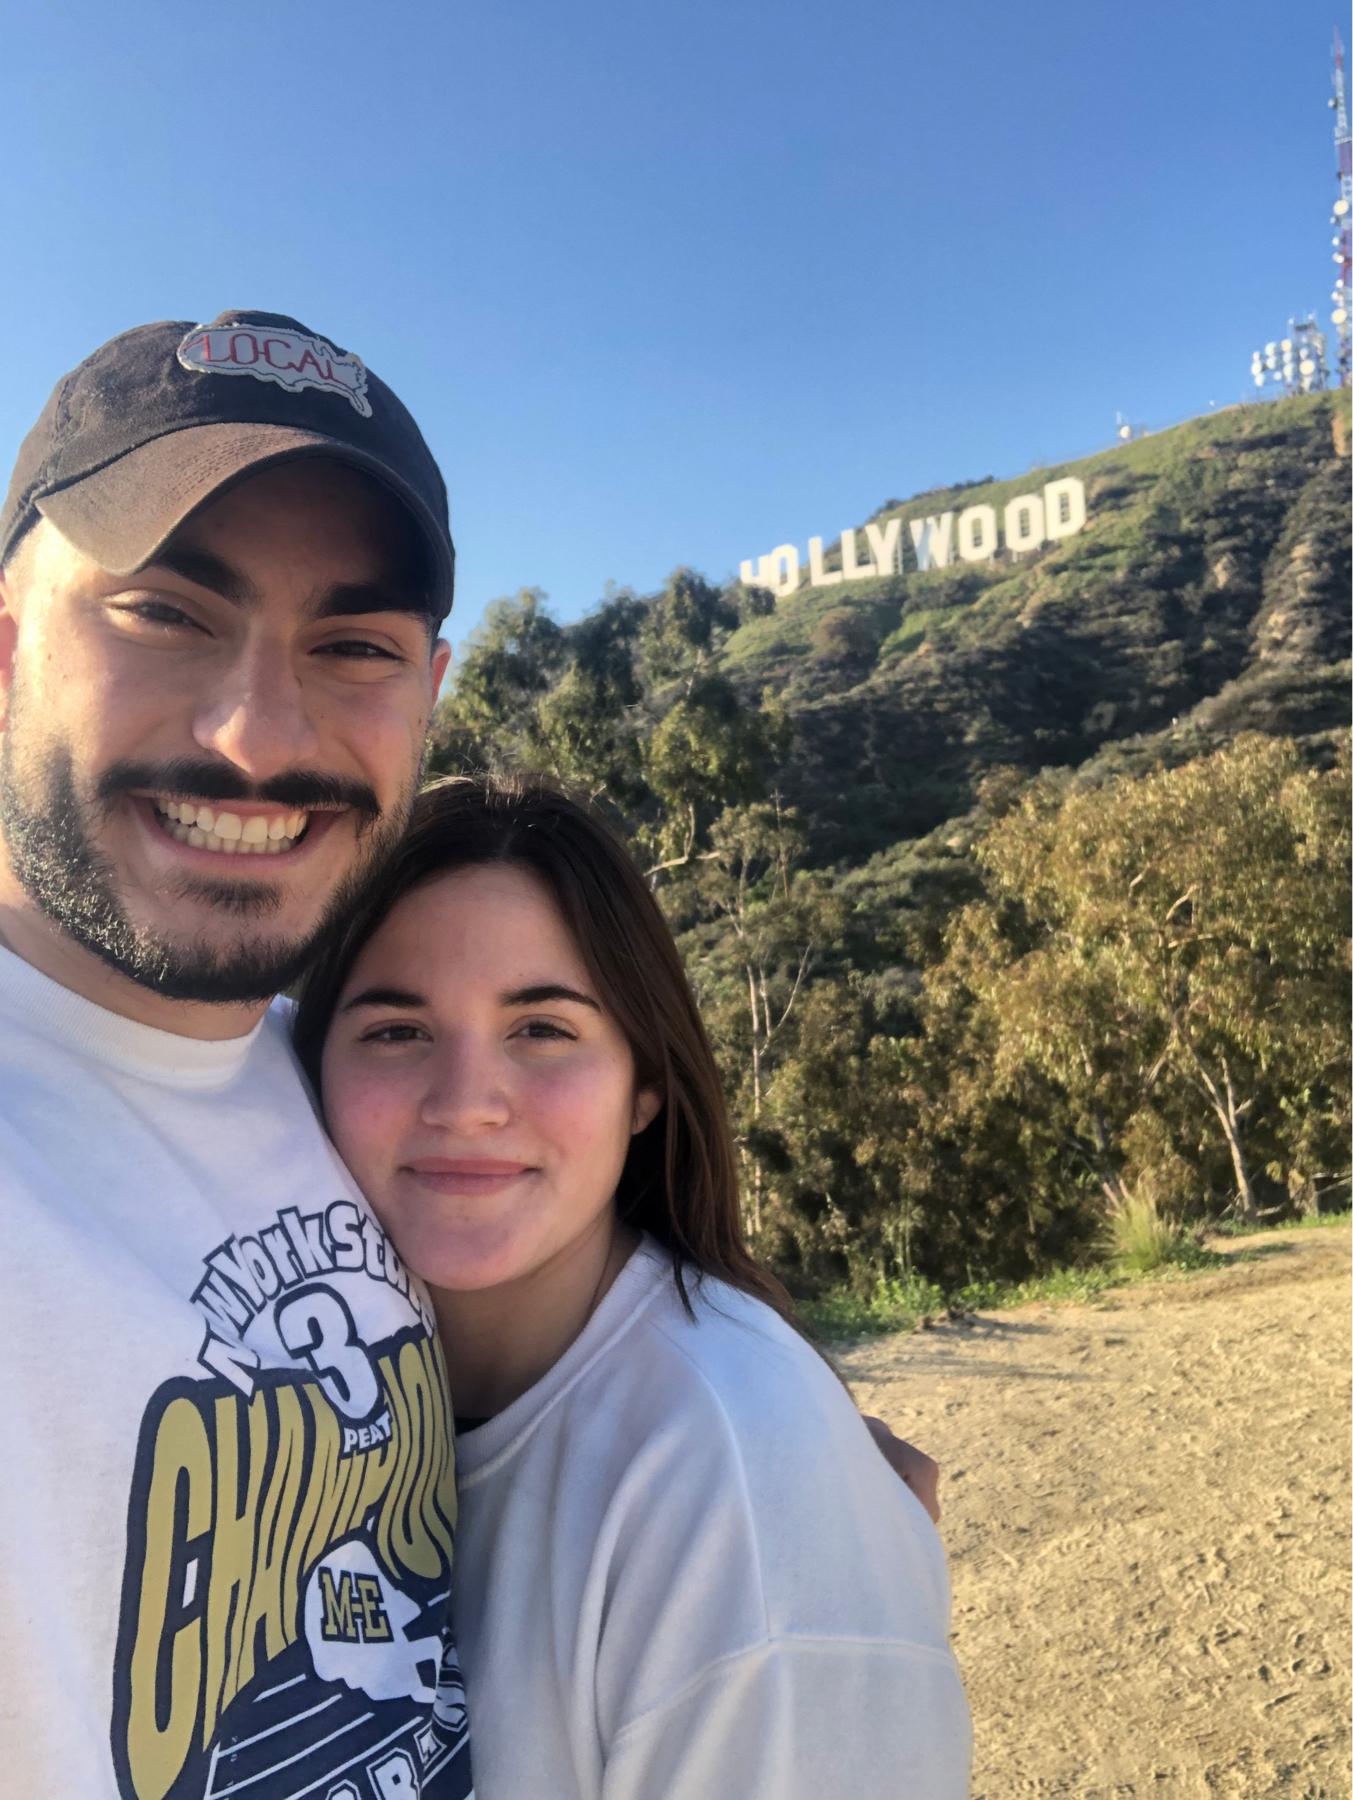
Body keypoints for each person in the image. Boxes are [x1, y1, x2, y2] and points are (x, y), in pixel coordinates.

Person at [0, 311, 474, 1798]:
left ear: (433, 697)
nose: (259, 739)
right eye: (163, 613)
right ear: (6, 649)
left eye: (352, 646)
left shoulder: (354, 1087)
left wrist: (779, 1454)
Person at [293, 773, 973, 1800]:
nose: (466, 1103)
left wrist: (785, 1461)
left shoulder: (729, 1487)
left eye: (544, 1030)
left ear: (645, 1083)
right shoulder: (323, 1405)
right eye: (397, 1030)